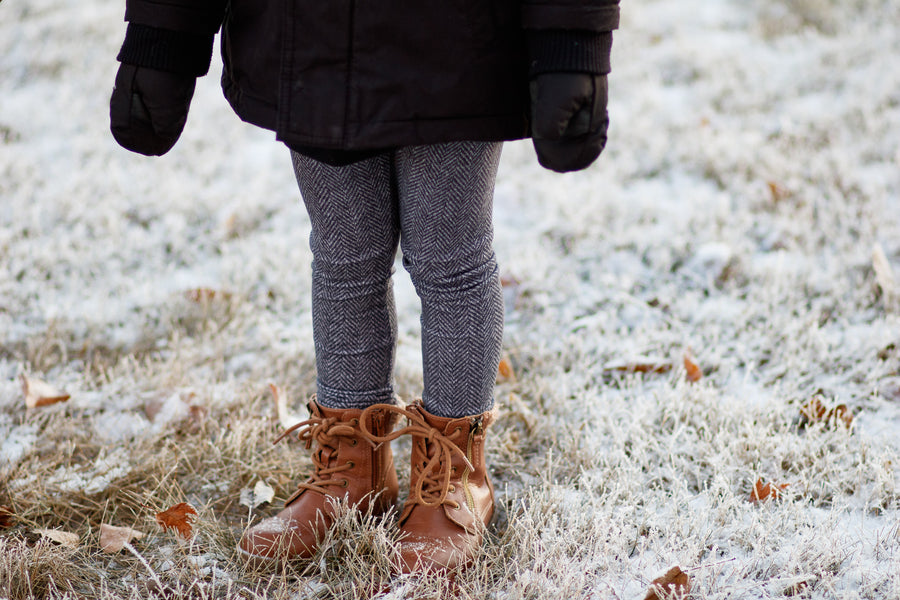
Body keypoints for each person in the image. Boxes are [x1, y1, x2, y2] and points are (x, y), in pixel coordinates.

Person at [109, 0, 619, 577]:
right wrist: (160, 38)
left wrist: (574, 43)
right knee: (343, 257)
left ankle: (455, 474)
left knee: (449, 262)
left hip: (457, 41)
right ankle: (353, 471)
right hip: (309, 34)